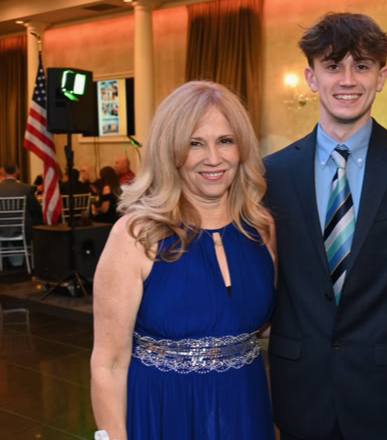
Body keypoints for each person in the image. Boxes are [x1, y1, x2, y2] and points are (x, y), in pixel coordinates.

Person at [263, 12, 387, 440]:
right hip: (303, 392)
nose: (348, 80)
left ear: (381, 77)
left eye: (361, 66)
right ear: (311, 77)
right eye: (332, 66)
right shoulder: (271, 174)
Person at [90, 81, 276, 440]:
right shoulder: (136, 234)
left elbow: (263, 322)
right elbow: (108, 364)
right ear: (169, 150)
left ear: (242, 147)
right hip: (163, 412)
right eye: (195, 143)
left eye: (225, 140)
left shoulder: (261, 227)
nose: (213, 158)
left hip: (244, 407)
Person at [0, 163, 43, 267]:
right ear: (17, 171)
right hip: (22, 228)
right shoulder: (26, 188)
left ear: (3, 172)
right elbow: (36, 209)